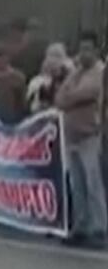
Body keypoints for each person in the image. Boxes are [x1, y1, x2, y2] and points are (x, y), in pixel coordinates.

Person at [56, 32, 107, 246]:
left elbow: (88, 93)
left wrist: (70, 95)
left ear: (96, 50)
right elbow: (60, 98)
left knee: (92, 183)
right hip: (72, 135)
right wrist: (70, 95)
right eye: (81, 48)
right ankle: (81, 226)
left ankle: (99, 227)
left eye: (88, 49)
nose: (84, 53)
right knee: (77, 184)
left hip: (90, 135)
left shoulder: (100, 72)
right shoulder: (75, 73)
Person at [26, 43, 73, 113]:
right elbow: (31, 105)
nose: (54, 60)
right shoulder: (37, 82)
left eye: (58, 56)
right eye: (52, 56)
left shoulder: (70, 80)